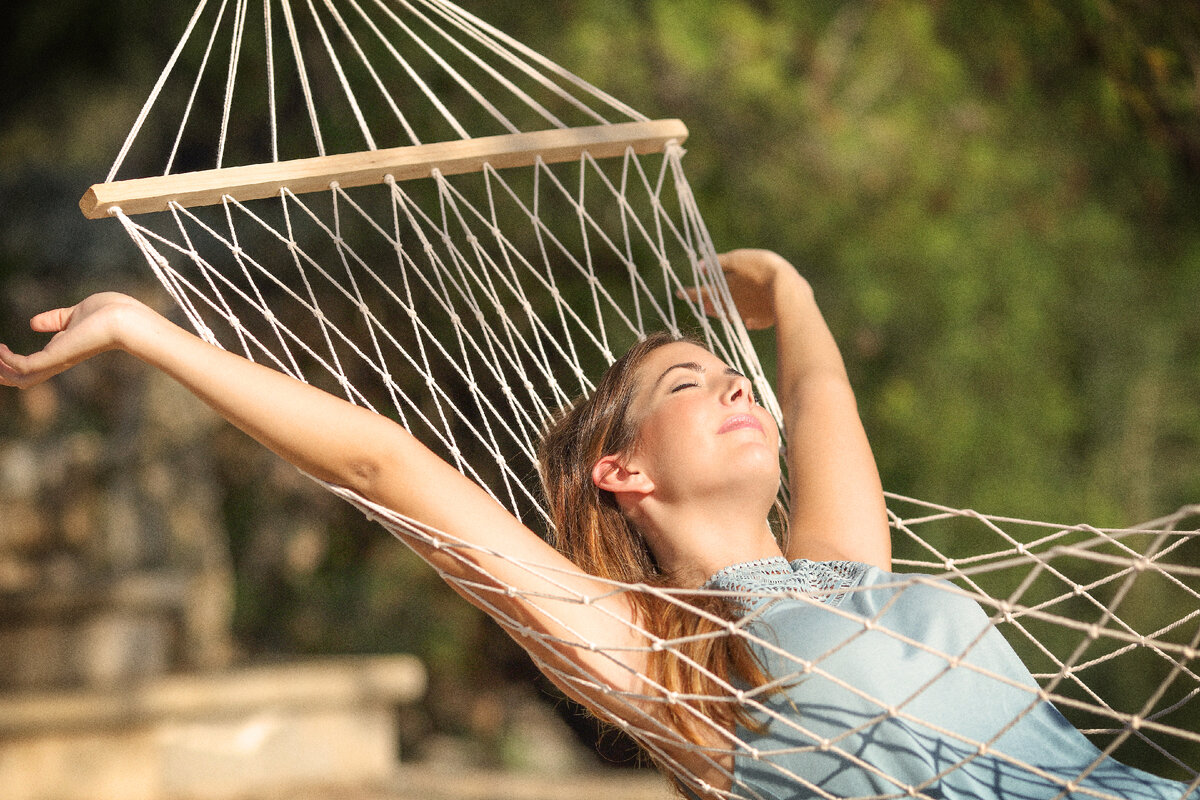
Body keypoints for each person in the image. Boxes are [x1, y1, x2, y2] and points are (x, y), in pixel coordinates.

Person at [1, 249, 1193, 799]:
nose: (736, 385)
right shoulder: (664, 665)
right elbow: (385, 458)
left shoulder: (846, 569)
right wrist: (151, 334)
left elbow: (818, 390)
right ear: (621, 470)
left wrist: (797, 298)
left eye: (736, 376)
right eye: (690, 383)